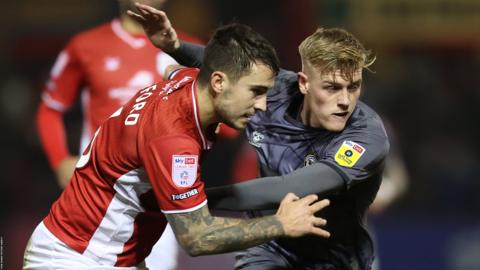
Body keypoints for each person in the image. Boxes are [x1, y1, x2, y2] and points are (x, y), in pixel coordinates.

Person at [23, 22, 331, 269]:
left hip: (109, 254)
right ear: (219, 82)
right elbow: (197, 238)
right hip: (75, 258)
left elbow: (175, 69)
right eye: (256, 91)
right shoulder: (173, 141)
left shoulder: (186, 80)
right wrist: (280, 224)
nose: (262, 105)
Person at [131, 4, 389, 269]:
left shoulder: (365, 136)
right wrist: (174, 46)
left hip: (336, 259)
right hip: (269, 244)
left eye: (353, 87)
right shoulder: (275, 90)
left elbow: (293, 187)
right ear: (304, 83)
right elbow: (228, 68)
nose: (345, 101)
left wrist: (187, 199)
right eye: (332, 88)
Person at [35, 1, 202, 268]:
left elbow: (221, 116)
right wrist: (59, 161)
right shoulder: (85, 45)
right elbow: (50, 109)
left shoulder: (187, 50)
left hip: (161, 201)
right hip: (96, 194)